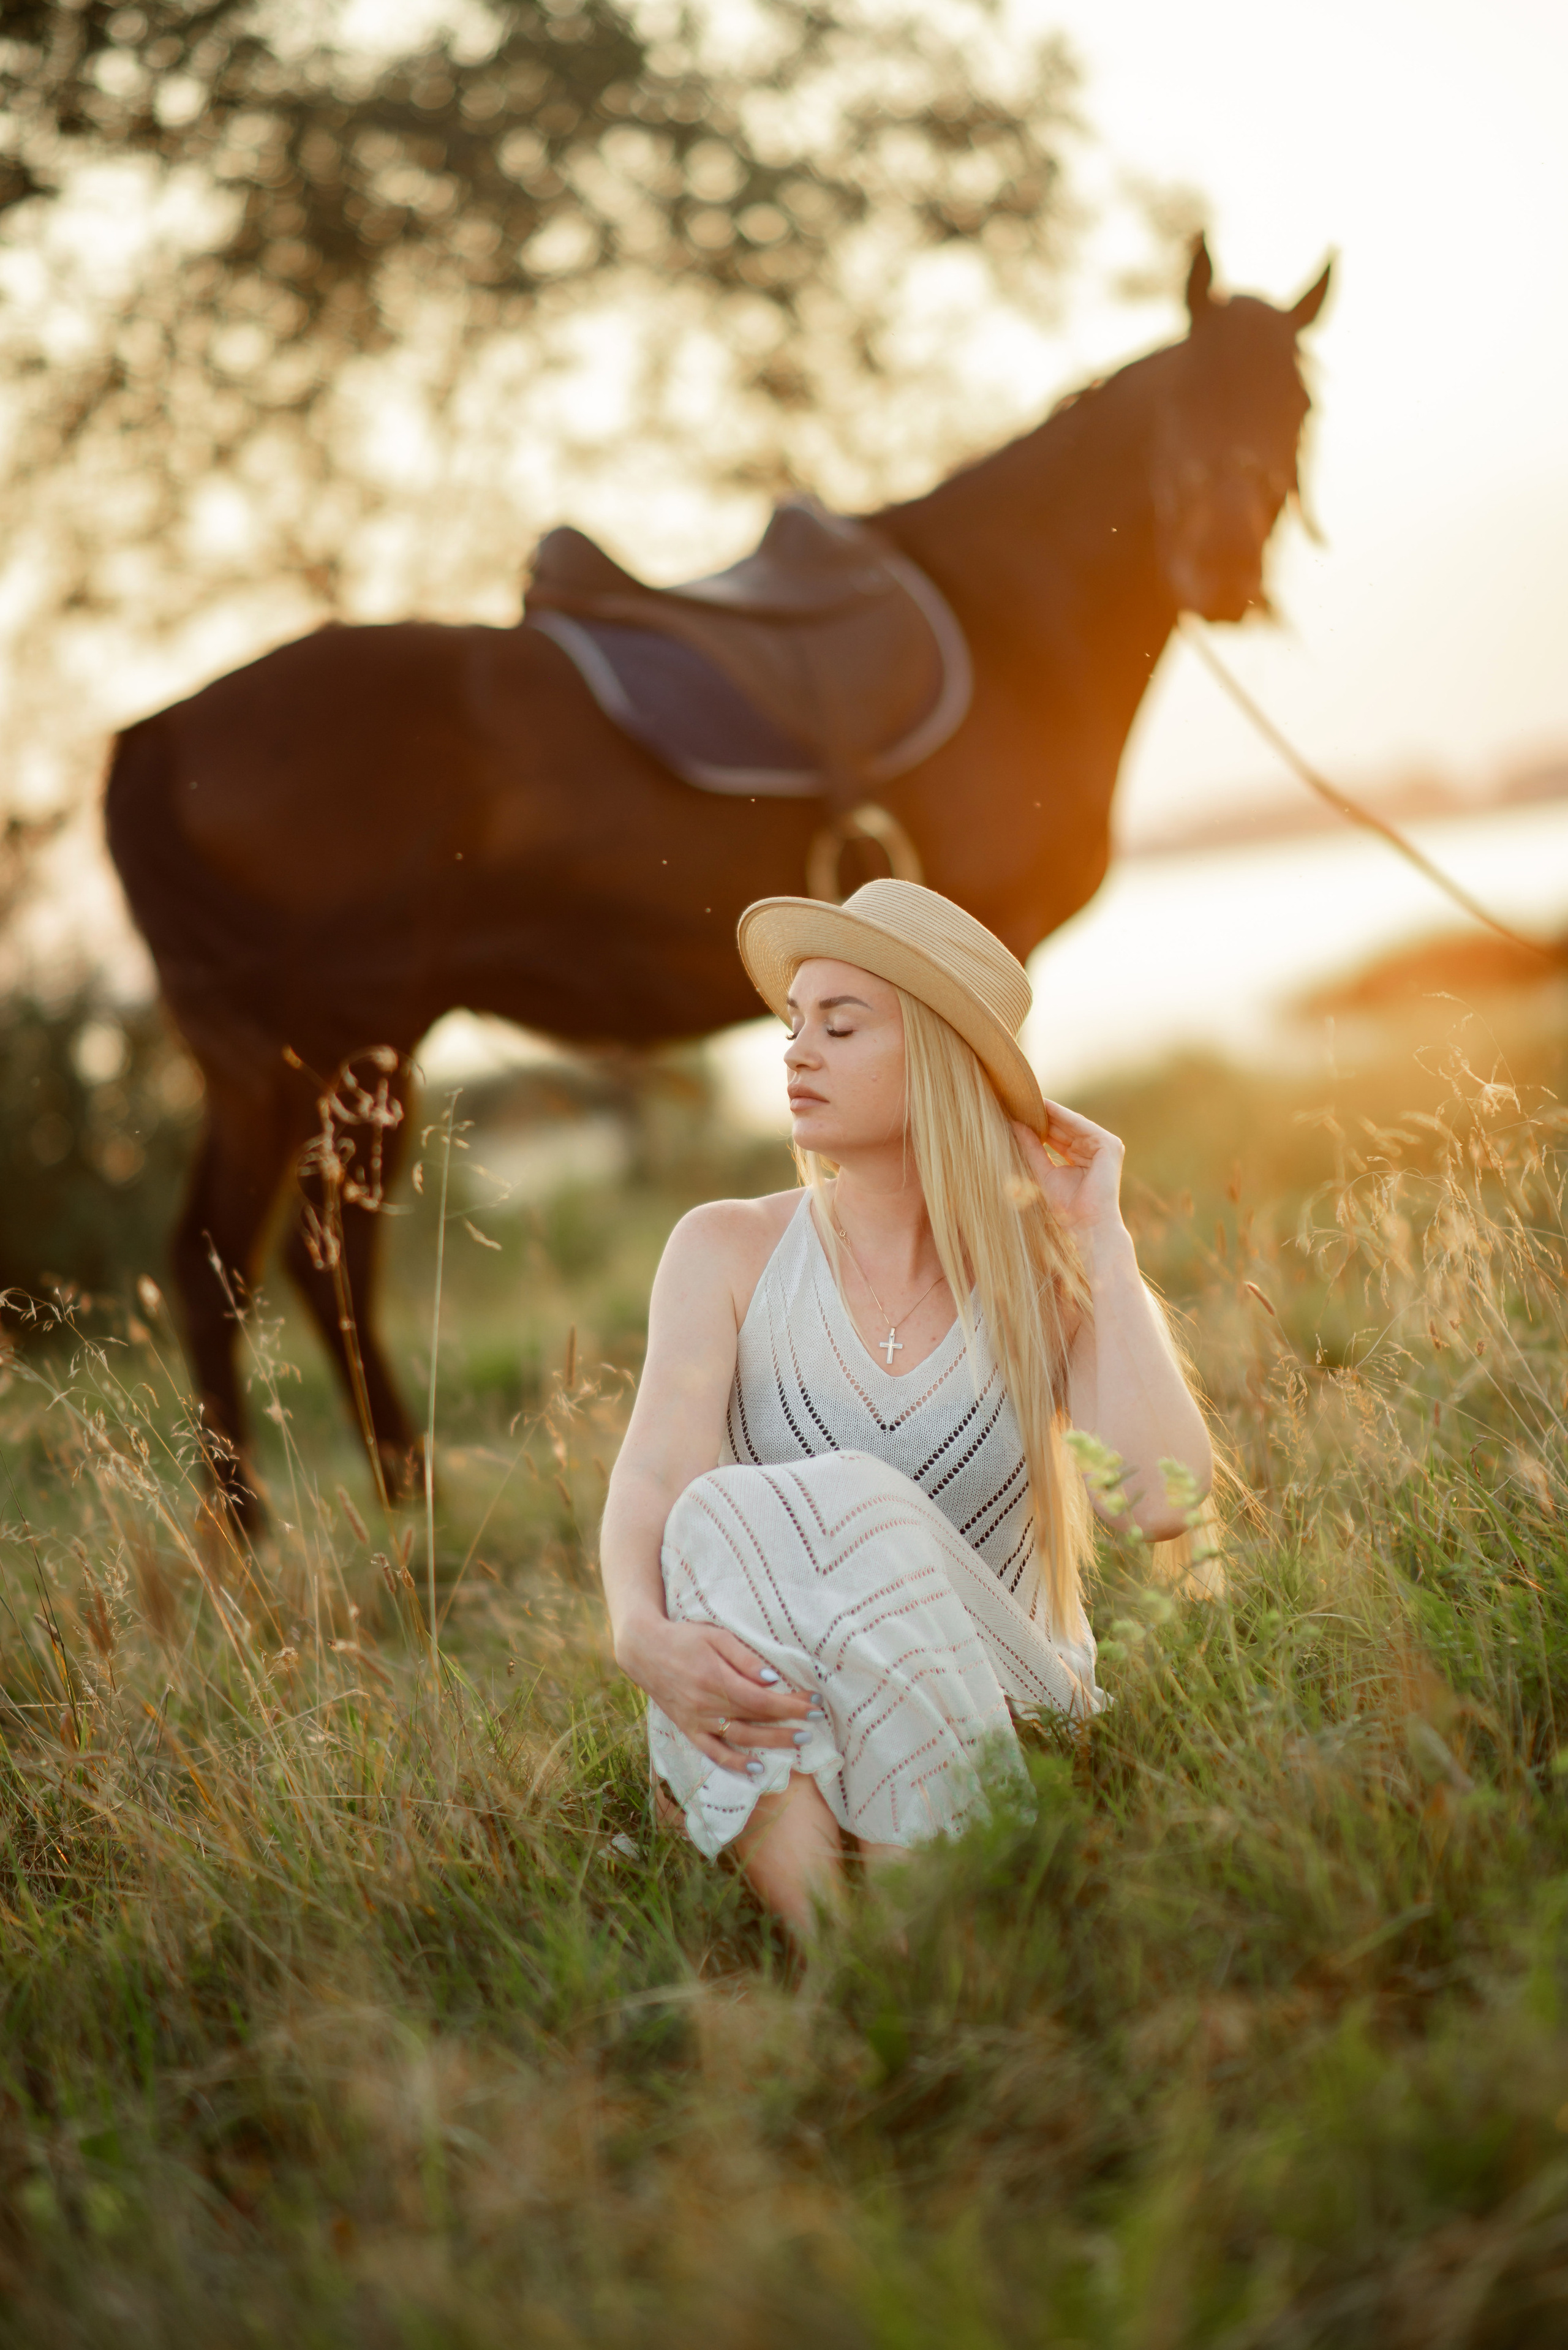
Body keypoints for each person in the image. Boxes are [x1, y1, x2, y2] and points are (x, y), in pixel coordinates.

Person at [600, 879, 1212, 1937]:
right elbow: (656, 1478)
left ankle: (923, 1925)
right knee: (711, 1516)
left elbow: (1164, 1503)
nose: (796, 1052)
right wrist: (638, 1636)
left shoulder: (1043, 1274)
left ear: (936, 1058)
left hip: (1002, 1697)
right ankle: (846, 1956)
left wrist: (1105, 1250)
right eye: (794, 1024)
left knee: (841, 1497)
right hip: (790, 1703)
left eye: (840, 1025)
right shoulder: (724, 1249)